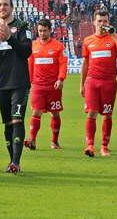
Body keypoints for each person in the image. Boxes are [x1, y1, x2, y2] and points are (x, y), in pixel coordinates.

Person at [0, 0, 32, 174]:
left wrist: (9, 39)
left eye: (5, 4)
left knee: (18, 120)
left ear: (11, 7)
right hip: (1, 85)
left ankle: (16, 163)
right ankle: (11, 161)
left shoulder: (22, 26)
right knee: (8, 124)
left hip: (19, 83)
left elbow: (27, 51)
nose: (2, 7)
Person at [81, 10, 117, 157]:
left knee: (107, 115)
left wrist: (113, 35)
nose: (102, 24)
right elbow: (85, 64)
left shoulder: (114, 37)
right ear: (94, 22)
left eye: (105, 21)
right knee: (91, 112)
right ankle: (90, 146)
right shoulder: (88, 40)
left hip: (109, 82)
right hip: (92, 81)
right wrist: (82, 84)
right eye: (99, 21)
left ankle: (104, 146)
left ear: (108, 22)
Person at [25, 18, 67, 150]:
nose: (42, 33)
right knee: (36, 112)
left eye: (44, 31)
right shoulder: (33, 46)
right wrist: (30, 81)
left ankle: (55, 141)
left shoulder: (59, 46)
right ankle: (32, 141)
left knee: (54, 113)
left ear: (50, 30)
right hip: (38, 86)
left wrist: (60, 79)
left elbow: (63, 64)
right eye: (40, 31)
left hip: (53, 86)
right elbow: (30, 65)